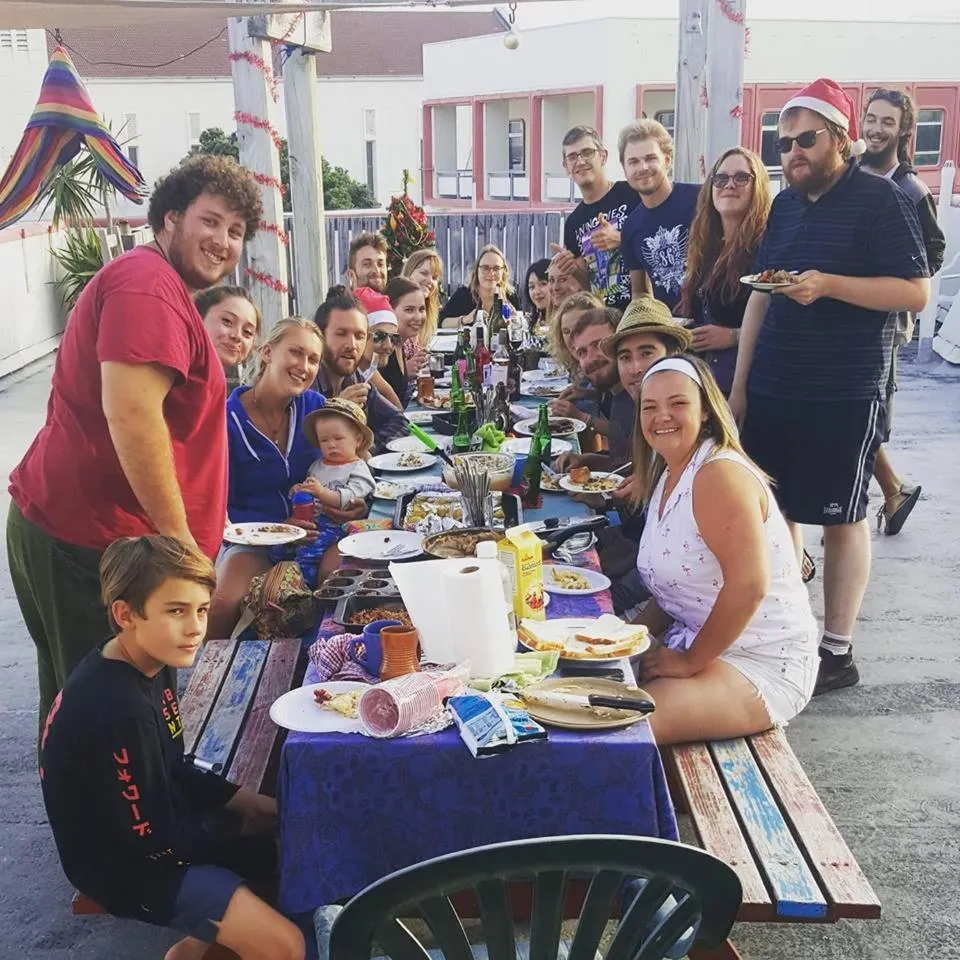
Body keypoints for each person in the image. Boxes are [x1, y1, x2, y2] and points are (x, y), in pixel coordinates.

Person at [7, 155, 262, 738]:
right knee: (105, 716)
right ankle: (125, 829)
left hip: (81, 531)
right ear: (169, 219)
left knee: (78, 708)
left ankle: (124, 820)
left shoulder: (160, 285)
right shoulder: (147, 284)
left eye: (236, 231)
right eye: (211, 220)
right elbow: (131, 414)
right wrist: (180, 550)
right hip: (88, 540)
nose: (224, 241)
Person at [728, 78, 930, 696]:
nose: (792, 152)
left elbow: (915, 292)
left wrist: (828, 284)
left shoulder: (880, 200)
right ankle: (790, 628)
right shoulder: (784, 206)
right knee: (779, 510)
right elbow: (761, 296)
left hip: (845, 386)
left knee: (843, 516)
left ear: (839, 139)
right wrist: (739, 388)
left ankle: (838, 649)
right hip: (774, 383)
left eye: (805, 139)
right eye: (783, 141)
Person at [39, 535, 304, 960]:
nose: (196, 627)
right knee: (286, 944)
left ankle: (194, 949)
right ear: (125, 613)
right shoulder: (117, 710)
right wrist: (248, 846)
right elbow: (154, 843)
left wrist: (251, 803)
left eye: (201, 609)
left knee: (286, 830)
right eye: (176, 611)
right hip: (127, 868)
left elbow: (172, 764)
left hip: (155, 826)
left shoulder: (143, 657)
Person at [631, 356, 819, 745]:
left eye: (678, 403)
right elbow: (675, 585)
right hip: (704, 644)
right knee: (585, 690)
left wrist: (687, 662)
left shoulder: (718, 474)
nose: (661, 415)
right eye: (649, 407)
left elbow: (749, 585)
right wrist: (624, 638)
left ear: (705, 410)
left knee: (622, 724)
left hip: (762, 661)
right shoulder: (669, 470)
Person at [861, 88, 946, 535]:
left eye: (887, 122)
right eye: (871, 118)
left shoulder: (910, 189)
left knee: (867, 416)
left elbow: (933, 253)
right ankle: (893, 491)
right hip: (842, 317)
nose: (876, 129)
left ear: (904, 130)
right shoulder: (850, 175)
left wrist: (889, 278)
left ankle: (888, 492)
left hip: (884, 325)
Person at [211, 318, 327, 640]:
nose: (304, 366)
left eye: (313, 359)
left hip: (315, 535)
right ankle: (202, 681)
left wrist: (344, 500)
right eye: (296, 352)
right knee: (223, 603)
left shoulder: (315, 409)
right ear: (266, 352)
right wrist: (282, 529)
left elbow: (341, 460)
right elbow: (223, 506)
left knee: (344, 581)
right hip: (252, 540)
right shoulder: (227, 420)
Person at [676, 148, 772, 395]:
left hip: (748, 383)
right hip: (706, 380)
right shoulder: (706, 247)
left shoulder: (767, 246)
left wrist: (734, 336)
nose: (729, 185)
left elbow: (784, 321)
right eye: (720, 178)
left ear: (757, 186)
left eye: (741, 178)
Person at [550, 125, 639, 310]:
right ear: (566, 167)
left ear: (603, 156)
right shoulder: (573, 223)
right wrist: (572, 269)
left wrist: (621, 239)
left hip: (641, 310)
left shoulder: (632, 194)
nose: (580, 161)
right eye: (572, 157)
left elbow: (657, 244)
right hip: (603, 317)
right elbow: (588, 284)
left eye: (587, 152)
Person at [312, 291, 410, 452]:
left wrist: (369, 450)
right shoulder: (306, 384)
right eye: (341, 334)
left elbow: (398, 420)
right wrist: (336, 412)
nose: (352, 344)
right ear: (320, 337)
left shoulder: (355, 377)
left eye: (359, 336)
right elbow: (299, 454)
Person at [619, 120, 699, 310]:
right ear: (624, 168)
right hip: (671, 330)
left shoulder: (700, 199)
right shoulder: (630, 227)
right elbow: (640, 294)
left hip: (717, 327)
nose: (643, 167)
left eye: (650, 158)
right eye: (633, 161)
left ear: (667, 159)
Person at [290, 398, 376, 560]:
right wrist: (299, 490)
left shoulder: (358, 468)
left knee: (308, 553)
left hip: (337, 526)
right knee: (280, 548)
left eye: (338, 438)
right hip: (312, 520)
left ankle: (304, 579)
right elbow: (309, 490)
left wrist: (321, 492)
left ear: (358, 440)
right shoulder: (317, 465)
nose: (331, 445)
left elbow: (348, 499)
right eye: (324, 440)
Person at [194, 285, 261, 388]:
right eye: (227, 321)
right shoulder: (175, 373)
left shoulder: (215, 385)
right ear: (198, 317)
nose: (237, 336)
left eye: (247, 332)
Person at [439, 245, 520, 327]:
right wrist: (465, 319)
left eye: (496, 268)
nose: (491, 273)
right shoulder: (463, 295)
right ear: (476, 270)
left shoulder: (510, 296)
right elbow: (441, 322)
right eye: (485, 268)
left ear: (503, 272)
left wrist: (516, 320)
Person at [354, 287, 405, 411]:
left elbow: (398, 414)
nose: (388, 345)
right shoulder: (350, 374)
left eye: (394, 338)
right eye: (379, 336)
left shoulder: (369, 371)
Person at [383, 277, 429, 409]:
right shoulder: (384, 350)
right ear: (390, 310)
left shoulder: (399, 342)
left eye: (421, 309)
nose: (418, 317)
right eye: (409, 310)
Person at [402, 248, 444, 349]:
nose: (430, 281)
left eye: (434, 278)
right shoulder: (396, 307)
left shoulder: (427, 312)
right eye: (424, 273)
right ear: (410, 272)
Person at [523, 258, 551, 327]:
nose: (536, 292)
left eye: (543, 284)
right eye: (532, 287)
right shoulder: (533, 321)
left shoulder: (567, 320)